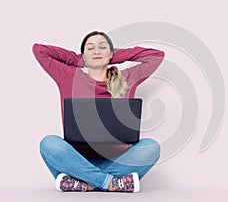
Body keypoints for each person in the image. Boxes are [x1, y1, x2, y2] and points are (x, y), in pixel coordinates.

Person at [32, 31, 165, 193]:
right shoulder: (69, 76)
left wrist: (113, 56)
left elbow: (156, 56)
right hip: (76, 160)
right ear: (83, 56)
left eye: (102, 47)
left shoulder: (127, 78)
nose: (96, 51)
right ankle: (111, 183)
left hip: (117, 161)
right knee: (49, 143)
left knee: (151, 147)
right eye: (90, 48)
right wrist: (79, 59)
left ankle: (84, 183)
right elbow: (39, 50)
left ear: (111, 54)